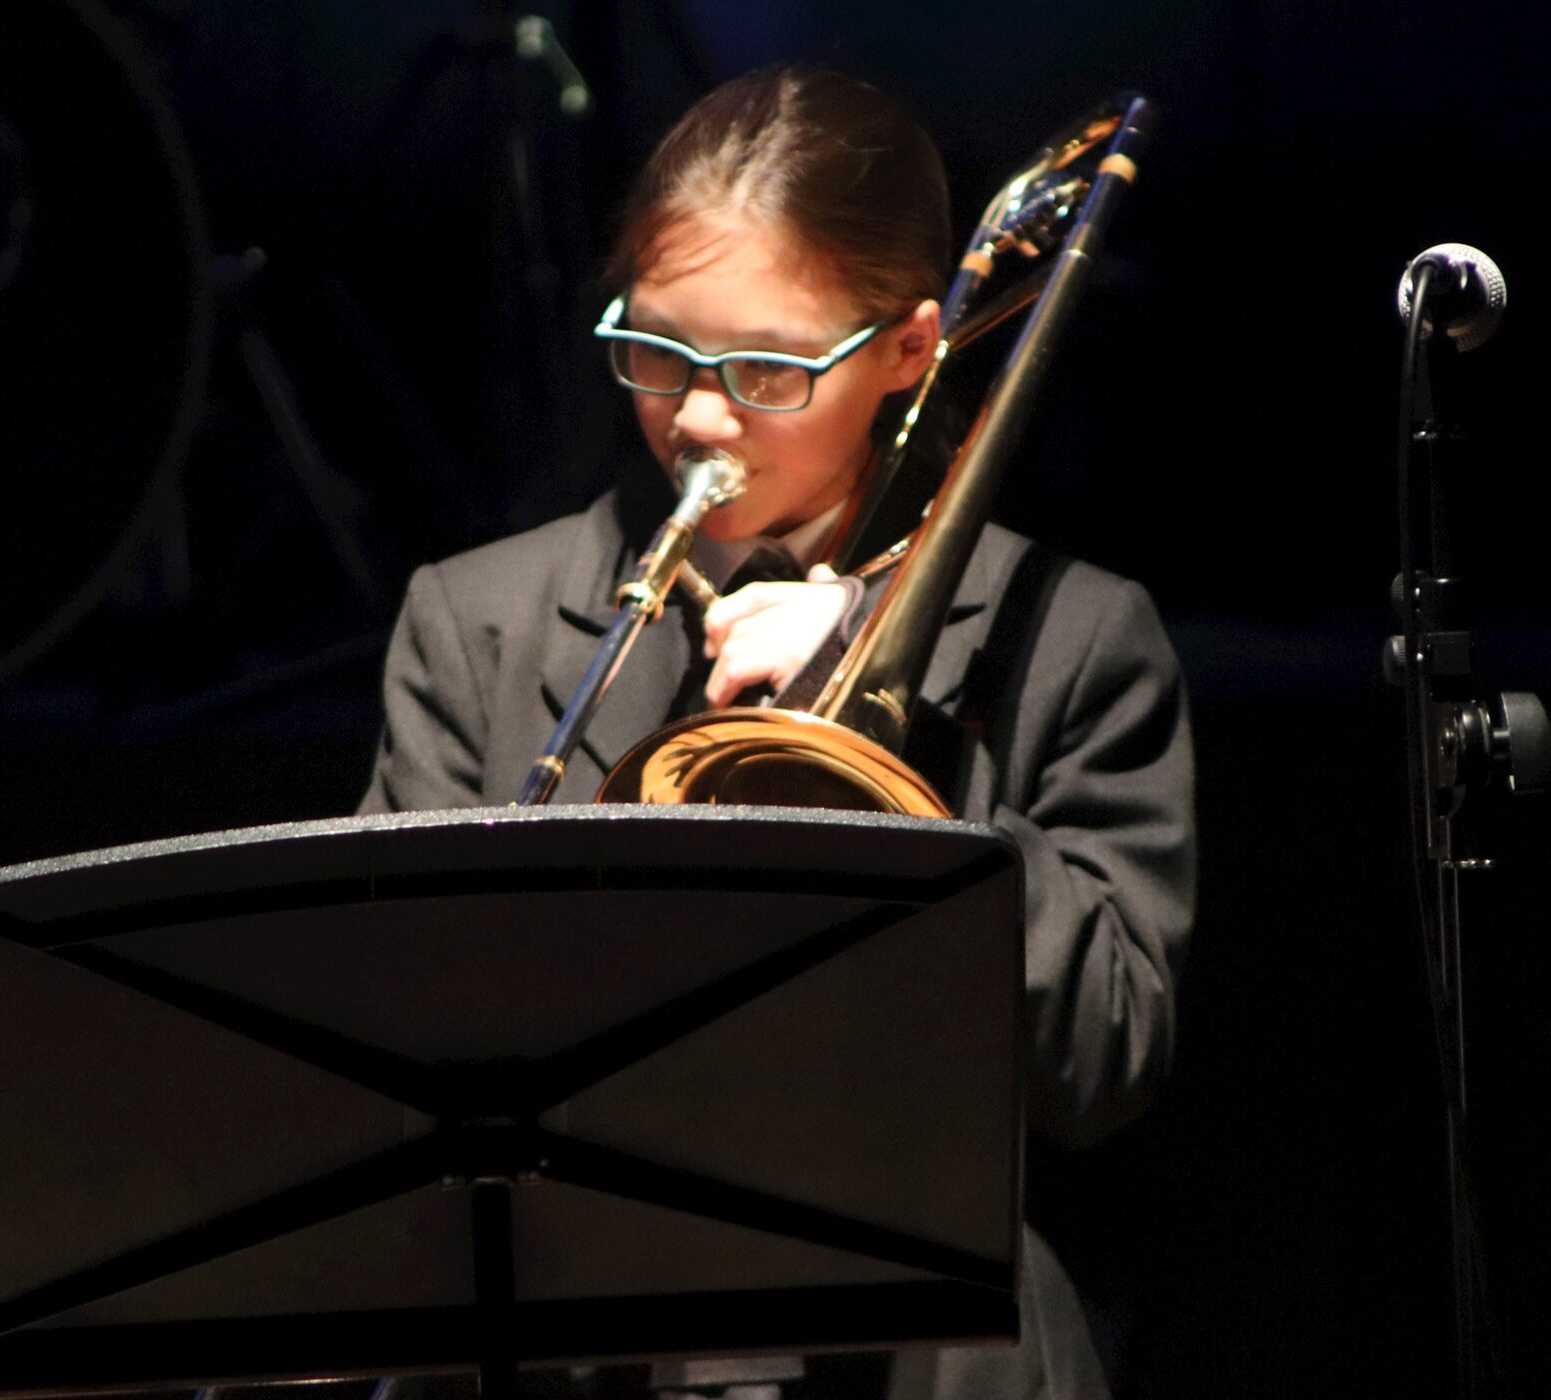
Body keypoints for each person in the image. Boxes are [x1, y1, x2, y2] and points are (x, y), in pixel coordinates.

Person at [360, 65, 1194, 1400]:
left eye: (763, 370)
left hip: (931, 1345)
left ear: (912, 353)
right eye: (655, 349)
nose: (694, 416)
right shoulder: (479, 625)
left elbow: (1099, 1066)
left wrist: (902, 733)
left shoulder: (1074, 636)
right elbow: (383, 1039)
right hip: (571, 1341)